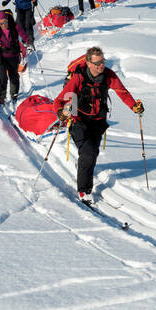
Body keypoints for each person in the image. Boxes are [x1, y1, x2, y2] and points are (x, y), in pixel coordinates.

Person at [54, 46, 144, 200]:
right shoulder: (79, 78)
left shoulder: (109, 76)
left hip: (98, 121)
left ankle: (83, 165)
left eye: (103, 61)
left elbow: (122, 92)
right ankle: (84, 191)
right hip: (79, 120)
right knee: (88, 152)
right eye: (97, 63)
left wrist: (133, 106)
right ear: (88, 63)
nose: (101, 65)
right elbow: (60, 100)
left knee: (91, 153)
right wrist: (61, 113)